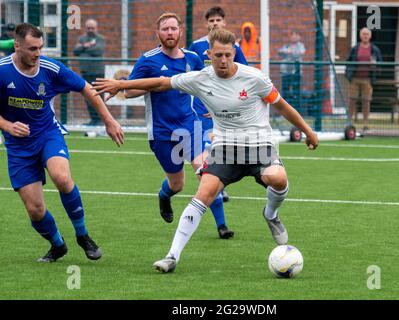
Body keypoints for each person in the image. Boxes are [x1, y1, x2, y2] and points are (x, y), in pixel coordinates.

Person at [92, 28, 319, 273]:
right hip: (225, 148)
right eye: (218, 55)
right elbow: (160, 83)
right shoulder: (201, 78)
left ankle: (271, 214)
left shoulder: (255, 78)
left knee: (278, 178)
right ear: (209, 54)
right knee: (203, 193)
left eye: (228, 55)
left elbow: (282, 107)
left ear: (235, 53)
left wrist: (308, 131)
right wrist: (121, 84)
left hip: (258, 144)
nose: (223, 60)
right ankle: (172, 256)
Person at [0, 23, 124, 263]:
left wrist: (109, 121)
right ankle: (57, 245)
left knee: (62, 177)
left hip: (47, 133)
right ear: (16, 46)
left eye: (40, 48)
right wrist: (7, 126)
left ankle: (83, 235)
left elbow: (87, 88)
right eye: (32, 49)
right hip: (17, 145)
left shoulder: (51, 68)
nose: (37, 54)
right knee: (35, 210)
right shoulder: (2, 71)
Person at [122, 12, 233, 239]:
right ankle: (164, 196)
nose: (170, 33)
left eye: (174, 28)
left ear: (181, 31)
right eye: (165, 29)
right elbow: (128, 91)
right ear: (158, 33)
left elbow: (206, 84)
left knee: (207, 173)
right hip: (162, 132)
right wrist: (160, 84)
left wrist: (214, 107)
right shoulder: (148, 59)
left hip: (190, 126)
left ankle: (222, 226)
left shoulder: (192, 58)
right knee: (177, 184)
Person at [189, 6, 249, 204]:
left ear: (224, 23)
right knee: (208, 147)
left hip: (226, 108)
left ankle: (219, 184)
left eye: (218, 20)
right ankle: (216, 188)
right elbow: (192, 77)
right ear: (206, 24)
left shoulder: (235, 47)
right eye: (211, 20)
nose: (215, 23)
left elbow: (244, 74)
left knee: (226, 147)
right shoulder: (196, 46)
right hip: (203, 108)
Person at [345, 27, 382, 131]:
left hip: (367, 79)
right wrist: (348, 75)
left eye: (367, 34)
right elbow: (348, 61)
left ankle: (365, 123)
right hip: (355, 79)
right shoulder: (355, 48)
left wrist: (375, 67)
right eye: (363, 34)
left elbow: (380, 64)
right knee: (352, 100)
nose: (365, 36)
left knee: (366, 101)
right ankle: (349, 122)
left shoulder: (374, 49)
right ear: (360, 36)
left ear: (370, 36)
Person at [73, 19, 105, 125]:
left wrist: (83, 49)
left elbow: (98, 51)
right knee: (88, 97)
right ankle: (93, 119)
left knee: (99, 96)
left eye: (92, 28)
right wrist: (85, 46)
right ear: (85, 28)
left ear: (96, 28)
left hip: (98, 73)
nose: (90, 30)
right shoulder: (82, 39)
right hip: (85, 72)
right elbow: (75, 51)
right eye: (88, 28)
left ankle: (101, 120)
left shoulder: (101, 39)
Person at [278, 30, 306, 105]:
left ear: (298, 37)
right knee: (285, 91)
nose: (293, 37)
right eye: (292, 35)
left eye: (295, 35)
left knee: (295, 92)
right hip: (286, 72)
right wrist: (287, 51)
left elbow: (300, 53)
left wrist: (290, 52)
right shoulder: (287, 46)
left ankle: (296, 109)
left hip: (296, 72)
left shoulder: (301, 46)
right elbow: (280, 52)